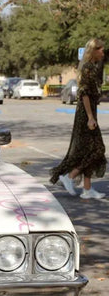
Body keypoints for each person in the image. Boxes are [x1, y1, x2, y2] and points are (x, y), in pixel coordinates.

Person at [50, 38, 106, 199]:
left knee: (88, 149)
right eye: (101, 49)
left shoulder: (93, 66)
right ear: (94, 50)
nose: (103, 52)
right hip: (85, 114)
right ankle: (69, 176)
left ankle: (87, 190)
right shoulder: (88, 68)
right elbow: (84, 94)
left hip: (90, 113)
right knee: (98, 149)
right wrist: (89, 117)